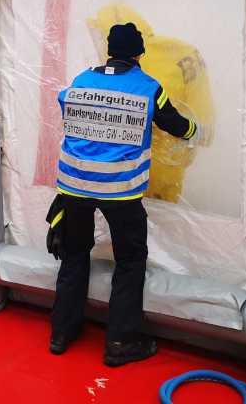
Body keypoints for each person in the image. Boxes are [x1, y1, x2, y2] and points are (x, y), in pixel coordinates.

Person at [47, 22, 197, 367]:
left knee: (73, 254)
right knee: (129, 261)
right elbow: (175, 124)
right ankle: (120, 341)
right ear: (139, 53)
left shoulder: (82, 79)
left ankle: (60, 333)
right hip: (120, 190)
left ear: (109, 51)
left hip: (75, 185)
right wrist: (195, 130)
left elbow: (65, 103)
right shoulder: (148, 86)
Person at [87, 4, 214, 203]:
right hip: (132, 169)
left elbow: (185, 114)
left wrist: (196, 135)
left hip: (155, 169)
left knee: (148, 222)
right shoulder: (177, 56)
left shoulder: (177, 57)